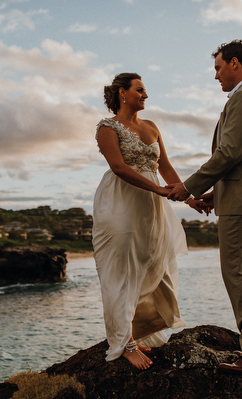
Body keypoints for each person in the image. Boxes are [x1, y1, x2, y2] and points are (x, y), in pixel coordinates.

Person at [167, 40, 242, 375]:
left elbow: (230, 152)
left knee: (237, 271)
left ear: (235, 63)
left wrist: (189, 186)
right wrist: (217, 195)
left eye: (218, 68)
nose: (216, 76)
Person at [93, 72, 187, 370]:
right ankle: (125, 344)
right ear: (123, 92)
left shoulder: (152, 127)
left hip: (152, 209)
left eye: (145, 91)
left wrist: (191, 198)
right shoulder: (107, 128)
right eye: (140, 90)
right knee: (122, 272)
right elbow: (118, 167)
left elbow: (166, 168)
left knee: (152, 266)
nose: (145, 95)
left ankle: (139, 331)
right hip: (120, 204)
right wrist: (158, 188)